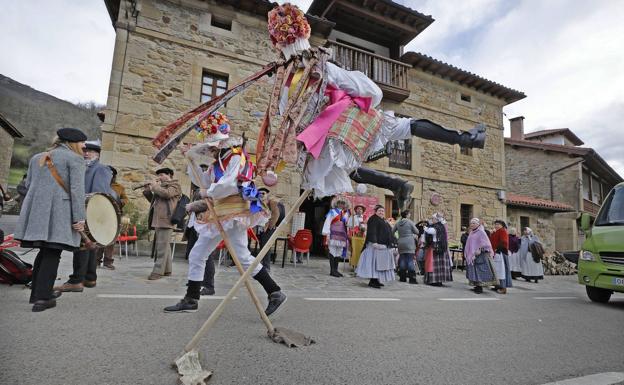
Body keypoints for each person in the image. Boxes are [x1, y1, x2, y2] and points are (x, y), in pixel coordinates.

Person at [257, 3, 487, 211]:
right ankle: (466, 139)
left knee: (348, 169)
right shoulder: (324, 68)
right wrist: (352, 98)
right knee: (408, 125)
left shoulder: (283, 88)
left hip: (318, 145)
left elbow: (287, 116)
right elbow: (374, 93)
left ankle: (397, 184)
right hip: (345, 125)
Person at [164, 112, 286, 316]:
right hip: (220, 211)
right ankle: (192, 298)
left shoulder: (236, 157)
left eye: (213, 145)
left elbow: (229, 184)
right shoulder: (216, 163)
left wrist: (208, 192)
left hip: (234, 211)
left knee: (239, 256)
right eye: (209, 147)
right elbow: (203, 182)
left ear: (222, 143)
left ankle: (274, 292)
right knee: (201, 253)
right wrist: (190, 159)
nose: (211, 150)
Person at [14, 128, 87, 311]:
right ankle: (43, 299)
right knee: (53, 253)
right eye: (81, 143)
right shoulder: (75, 159)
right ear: (72, 143)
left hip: (37, 212)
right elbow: (77, 191)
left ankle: (36, 294)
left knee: (45, 251)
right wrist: (80, 218)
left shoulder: (36, 157)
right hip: (58, 212)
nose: (84, 146)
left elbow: (28, 185)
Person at [55, 140, 114, 292]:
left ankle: (76, 280)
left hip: (89, 210)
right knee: (89, 246)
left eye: (91, 152)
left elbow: (99, 194)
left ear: (98, 155)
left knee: (82, 246)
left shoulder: (101, 169)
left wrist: (88, 210)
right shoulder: (82, 167)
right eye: (85, 151)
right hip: (82, 208)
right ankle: (90, 278)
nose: (86, 153)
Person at [143, 167, 181, 280]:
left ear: (169, 175)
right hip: (158, 220)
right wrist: (147, 190)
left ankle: (158, 271)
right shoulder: (160, 187)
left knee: (161, 247)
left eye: (162, 175)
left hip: (166, 220)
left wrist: (155, 186)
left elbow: (167, 194)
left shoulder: (175, 186)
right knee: (165, 246)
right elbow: (153, 201)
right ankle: (167, 270)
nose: (159, 177)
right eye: (158, 175)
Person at [355, 205, 395, 288]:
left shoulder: (383, 220)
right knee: (374, 264)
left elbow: (389, 232)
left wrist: (393, 242)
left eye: (382, 211)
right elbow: (372, 231)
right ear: (376, 211)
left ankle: (376, 280)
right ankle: (373, 281)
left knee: (378, 264)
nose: (381, 212)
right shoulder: (373, 219)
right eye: (379, 210)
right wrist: (374, 242)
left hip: (382, 246)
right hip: (375, 246)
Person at [96, 166, 128, 270]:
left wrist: (120, 202)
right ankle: (96, 261)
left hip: (114, 215)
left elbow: (125, 199)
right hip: (101, 214)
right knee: (99, 238)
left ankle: (108, 262)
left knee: (111, 239)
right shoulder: (100, 184)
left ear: (113, 176)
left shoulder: (119, 187)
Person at [464, 218, 497, 294]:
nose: (472, 225)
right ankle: (476, 285)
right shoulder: (472, 233)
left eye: (473, 223)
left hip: (480, 255)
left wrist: (480, 249)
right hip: (473, 255)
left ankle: (480, 287)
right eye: (471, 223)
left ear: (478, 224)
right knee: (474, 270)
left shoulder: (481, 232)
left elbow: (486, 243)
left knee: (480, 270)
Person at [322, 196, 350, 277]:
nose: (341, 204)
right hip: (333, 234)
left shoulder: (346, 213)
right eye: (340, 203)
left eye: (343, 203)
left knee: (339, 252)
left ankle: (336, 270)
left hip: (342, 235)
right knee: (332, 251)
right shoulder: (332, 212)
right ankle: (332, 270)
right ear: (337, 204)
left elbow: (348, 224)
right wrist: (327, 233)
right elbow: (327, 222)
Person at [258, 187, 285, 272]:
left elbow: (276, 214)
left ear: (267, 195)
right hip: (265, 223)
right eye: (260, 193)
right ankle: (262, 264)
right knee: (262, 244)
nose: (261, 195)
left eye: (263, 193)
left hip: (273, 223)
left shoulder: (273, 202)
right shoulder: (259, 202)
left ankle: (266, 266)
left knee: (266, 244)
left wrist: (270, 226)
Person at [423, 213, 453, 286]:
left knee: (434, 265)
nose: (432, 220)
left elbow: (430, 231)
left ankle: (435, 281)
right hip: (441, 248)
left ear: (436, 219)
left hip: (436, 248)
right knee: (441, 265)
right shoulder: (441, 226)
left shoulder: (436, 227)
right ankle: (439, 281)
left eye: (433, 219)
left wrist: (425, 227)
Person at [393, 210, 419, 284]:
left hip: (400, 242)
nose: (410, 215)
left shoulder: (397, 223)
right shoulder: (410, 222)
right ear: (407, 215)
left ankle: (402, 278)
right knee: (410, 260)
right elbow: (417, 231)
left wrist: (398, 238)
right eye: (410, 214)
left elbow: (392, 232)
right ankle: (412, 279)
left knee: (402, 259)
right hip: (409, 242)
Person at [489, 219, 511, 294]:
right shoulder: (496, 232)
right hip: (496, 253)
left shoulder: (502, 231)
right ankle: (497, 285)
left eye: (498, 224)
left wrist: (497, 249)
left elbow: (504, 242)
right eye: (495, 224)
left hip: (500, 253)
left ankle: (503, 287)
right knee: (497, 270)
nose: (496, 225)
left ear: (502, 225)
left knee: (502, 271)